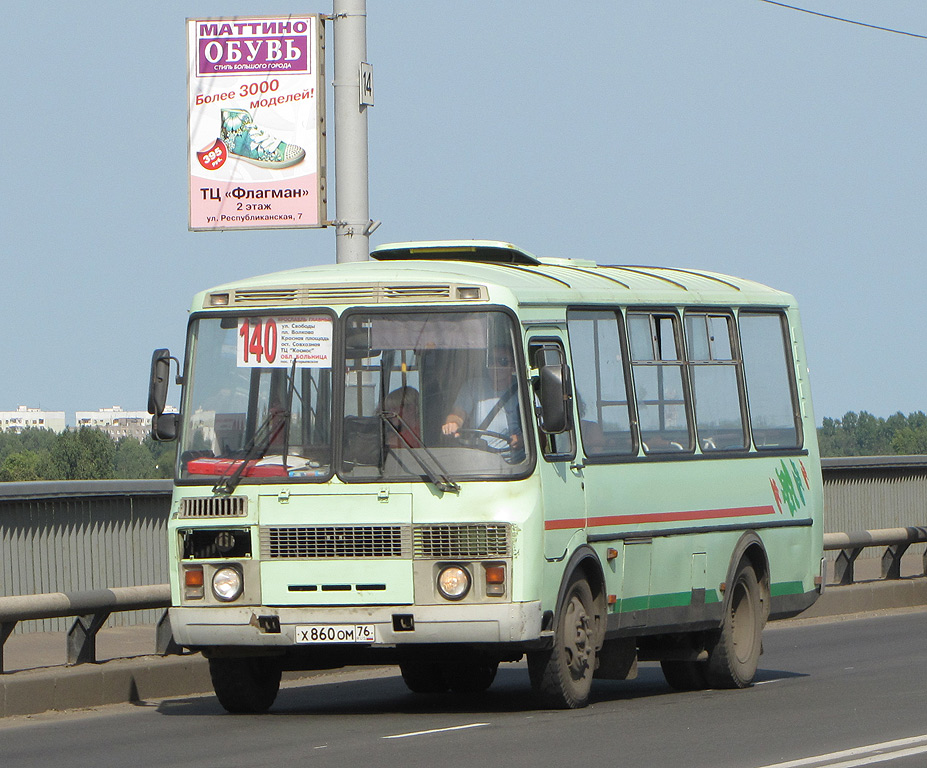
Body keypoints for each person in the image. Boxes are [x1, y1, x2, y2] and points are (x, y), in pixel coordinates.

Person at [442, 346, 524, 458]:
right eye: (490, 361)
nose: (495, 366)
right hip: (479, 462)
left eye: (503, 361)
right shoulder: (472, 387)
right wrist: (453, 424)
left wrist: (522, 440)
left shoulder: (524, 391)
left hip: (514, 466)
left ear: (513, 366)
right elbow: (458, 414)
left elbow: (541, 437)